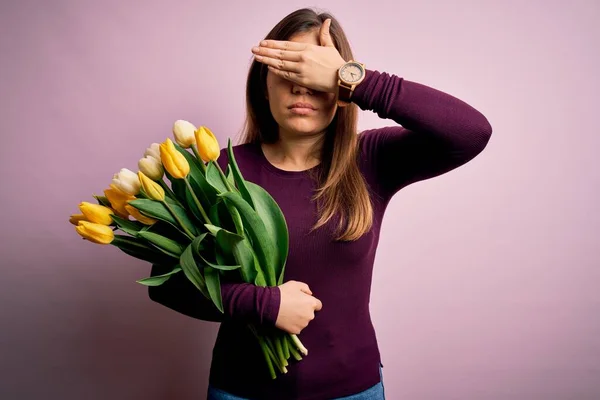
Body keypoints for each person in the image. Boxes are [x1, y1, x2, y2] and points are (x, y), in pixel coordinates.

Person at [148, 7, 493, 400]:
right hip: (242, 390)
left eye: (315, 75)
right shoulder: (219, 171)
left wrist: (356, 80)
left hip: (353, 390)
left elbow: (471, 132)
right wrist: (263, 303)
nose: (301, 88)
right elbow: (168, 282)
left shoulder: (370, 159)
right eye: (290, 71)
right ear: (264, 84)